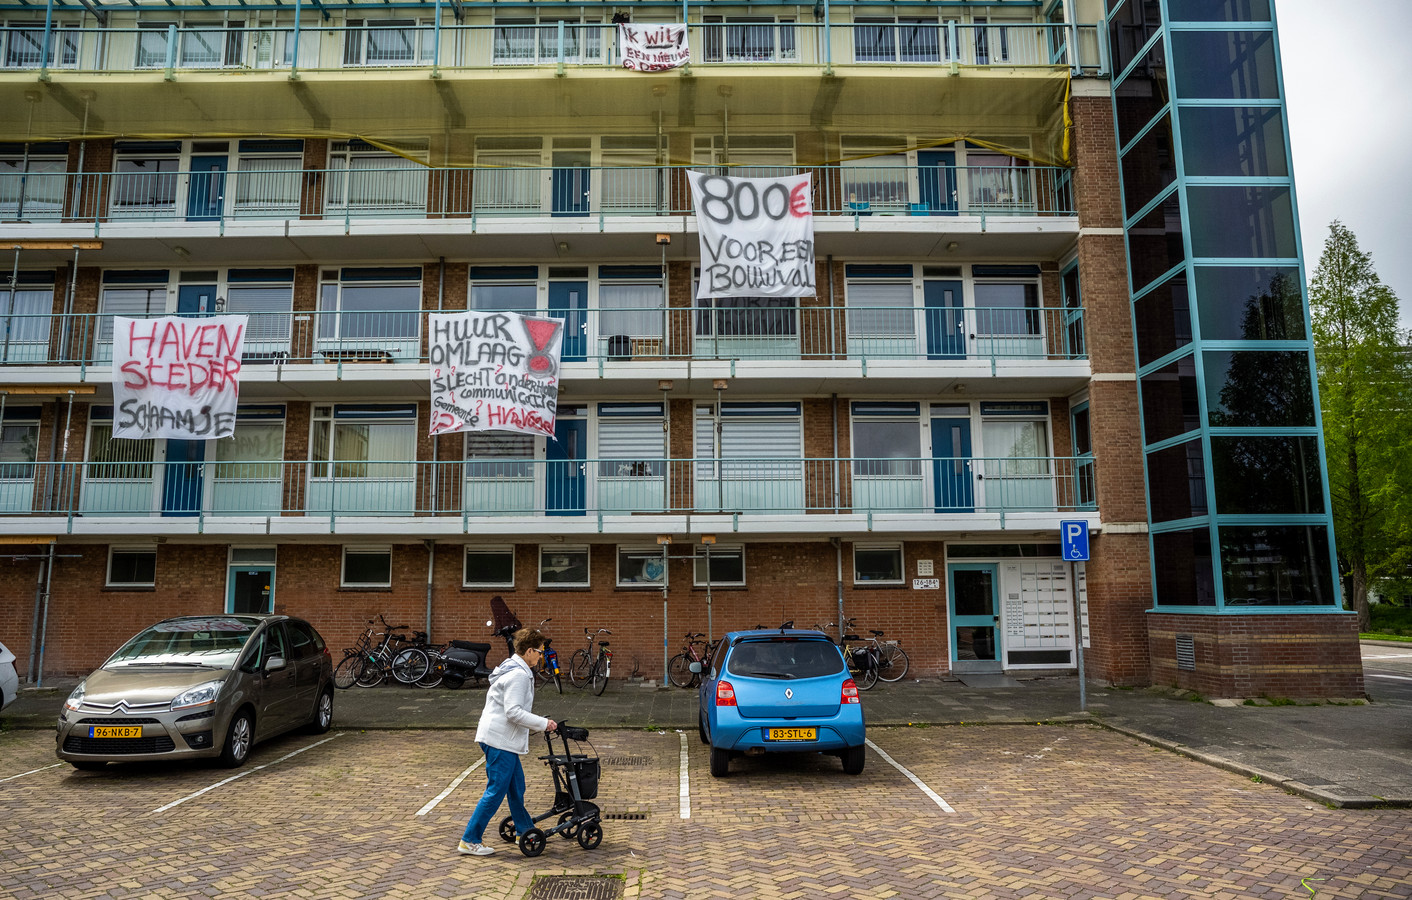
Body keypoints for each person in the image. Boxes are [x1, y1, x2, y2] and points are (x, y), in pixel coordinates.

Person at [459, 628, 557, 856]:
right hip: (499, 740)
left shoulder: (511, 667)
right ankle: (469, 839)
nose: (541, 656)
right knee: (495, 791)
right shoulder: (519, 675)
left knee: (516, 787)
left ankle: (524, 830)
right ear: (529, 651)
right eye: (540, 652)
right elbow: (513, 712)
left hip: (500, 738)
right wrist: (543, 723)